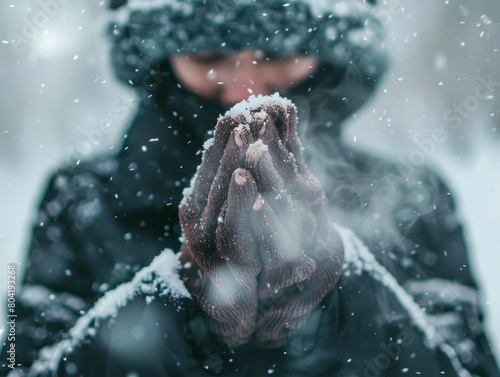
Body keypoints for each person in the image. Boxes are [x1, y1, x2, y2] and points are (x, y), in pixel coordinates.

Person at [1, 0, 499, 376]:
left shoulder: (412, 195)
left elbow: (467, 365)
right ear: (160, 58)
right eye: (208, 54)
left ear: (329, 57)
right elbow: (22, 363)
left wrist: (339, 301)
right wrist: (176, 306)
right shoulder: (78, 196)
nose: (246, 88)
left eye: (276, 52)